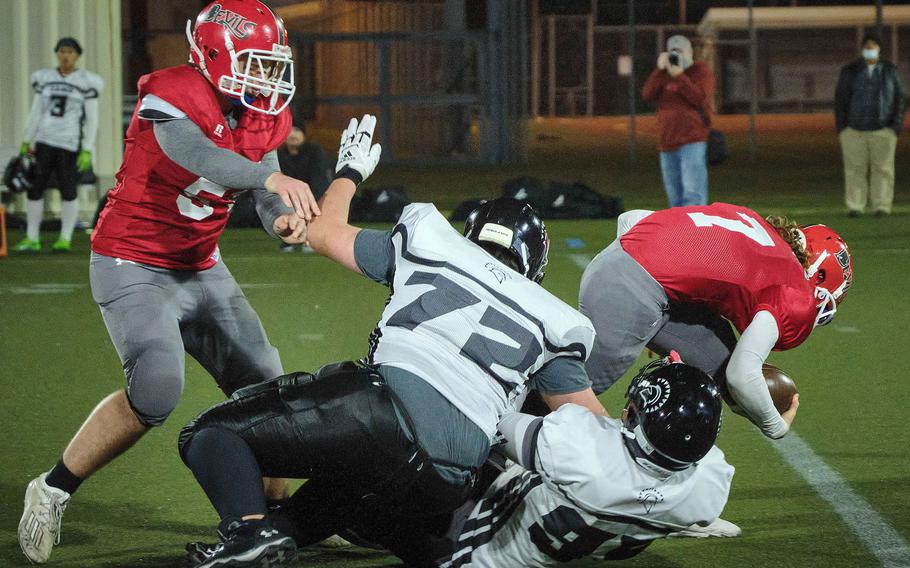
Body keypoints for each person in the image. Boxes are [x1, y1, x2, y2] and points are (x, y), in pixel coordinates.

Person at [176, 114, 605, 568]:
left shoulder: (433, 241)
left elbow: (319, 233)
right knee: (354, 487)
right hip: (451, 474)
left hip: (383, 414)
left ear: (470, 235)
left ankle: (245, 532)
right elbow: (593, 431)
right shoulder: (553, 319)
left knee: (211, 435)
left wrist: (349, 173)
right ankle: (292, 535)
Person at [17, 1, 319, 564]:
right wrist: (268, 176)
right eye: (254, 62)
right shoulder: (175, 92)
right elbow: (199, 154)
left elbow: (261, 177)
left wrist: (278, 212)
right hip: (132, 261)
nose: (267, 76)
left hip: (201, 262)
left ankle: (274, 520)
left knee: (270, 391)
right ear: (211, 54)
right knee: (157, 389)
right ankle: (53, 487)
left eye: (271, 63)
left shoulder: (258, 114)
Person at [579, 204, 853, 442]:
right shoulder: (794, 291)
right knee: (568, 396)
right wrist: (774, 426)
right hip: (630, 288)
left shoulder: (752, 222)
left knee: (720, 363)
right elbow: (742, 375)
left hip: (625, 266)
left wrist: (658, 298)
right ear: (817, 279)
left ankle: (656, 442)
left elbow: (630, 218)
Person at [14, 37, 104, 253]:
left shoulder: (86, 81)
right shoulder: (45, 78)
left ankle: (65, 238)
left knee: (68, 188)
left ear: (77, 56)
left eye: (70, 52)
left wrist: (88, 147)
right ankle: (32, 237)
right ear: (57, 54)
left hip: (69, 142)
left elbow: (92, 117)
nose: (66, 56)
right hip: (44, 140)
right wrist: (27, 138)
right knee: (35, 188)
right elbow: (36, 111)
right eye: (62, 51)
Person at [835, 30, 905, 217]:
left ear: (879, 48)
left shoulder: (890, 71)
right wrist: (843, 127)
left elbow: (899, 99)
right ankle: (855, 205)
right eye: (866, 47)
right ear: (862, 49)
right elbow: (840, 99)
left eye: (872, 46)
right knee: (854, 170)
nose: (869, 50)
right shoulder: (850, 71)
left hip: (883, 129)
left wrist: (894, 126)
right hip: (853, 130)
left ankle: (881, 205)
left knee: (883, 169)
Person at [642, 35, 714, 208]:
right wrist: (659, 71)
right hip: (667, 141)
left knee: (693, 195)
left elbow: (699, 98)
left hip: (692, 139)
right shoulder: (664, 75)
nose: (677, 56)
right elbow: (647, 95)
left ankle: (695, 232)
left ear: (690, 52)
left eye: (680, 52)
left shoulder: (700, 71)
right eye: (673, 52)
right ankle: (679, 233)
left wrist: (680, 76)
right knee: (674, 196)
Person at [276, 124, 329, 251]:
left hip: (314, 197)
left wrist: (307, 205)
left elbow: (319, 182)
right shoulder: (279, 155)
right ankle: (290, 237)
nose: (293, 134)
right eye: (289, 130)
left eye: (297, 130)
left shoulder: (315, 152)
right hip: (290, 200)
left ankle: (310, 237)